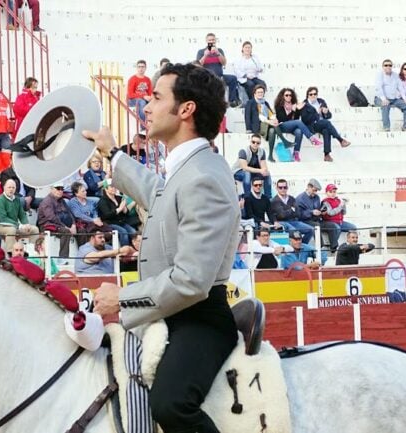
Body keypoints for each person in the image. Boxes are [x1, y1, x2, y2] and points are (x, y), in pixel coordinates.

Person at [85, 62, 240, 433]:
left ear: (186, 110)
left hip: (198, 320)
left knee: (171, 404)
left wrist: (122, 298)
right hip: (179, 313)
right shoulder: (194, 168)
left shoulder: (201, 177)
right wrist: (113, 154)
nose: (147, 107)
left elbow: (191, 281)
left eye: (156, 98)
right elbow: (157, 193)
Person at [302, 87, 351, 162]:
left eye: (315, 94)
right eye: (311, 94)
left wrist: (326, 113)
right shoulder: (304, 104)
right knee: (327, 123)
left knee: (326, 130)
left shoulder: (321, 101)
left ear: (317, 94)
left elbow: (329, 116)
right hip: (312, 125)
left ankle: (326, 155)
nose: (313, 96)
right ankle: (340, 140)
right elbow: (305, 120)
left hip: (323, 125)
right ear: (307, 95)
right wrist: (316, 113)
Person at [273, 88, 322, 162]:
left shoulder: (294, 105)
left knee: (299, 131)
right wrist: (292, 110)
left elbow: (295, 118)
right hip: (282, 126)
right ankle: (312, 139)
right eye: (286, 95)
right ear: (283, 96)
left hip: (292, 126)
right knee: (298, 122)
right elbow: (282, 119)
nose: (289, 97)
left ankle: (296, 153)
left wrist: (297, 110)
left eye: (290, 95)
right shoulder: (279, 106)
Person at [0, 178, 39, 251]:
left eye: (13, 187)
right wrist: (20, 226)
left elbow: (22, 214)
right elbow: (3, 219)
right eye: (9, 187)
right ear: (4, 187)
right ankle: (11, 253)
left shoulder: (17, 200)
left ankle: (32, 252)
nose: (11, 189)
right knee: (11, 230)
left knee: (34, 229)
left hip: (14, 226)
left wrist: (26, 224)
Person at [36, 183, 80, 258]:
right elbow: (52, 218)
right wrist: (65, 227)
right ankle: (63, 258)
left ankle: (83, 255)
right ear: (51, 189)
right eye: (58, 188)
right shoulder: (47, 201)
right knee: (66, 232)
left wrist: (73, 225)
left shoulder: (61, 200)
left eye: (62, 189)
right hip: (47, 225)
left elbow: (70, 213)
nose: (60, 191)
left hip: (61, 224)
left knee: (82, 230)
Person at [196, 33, 240, 107]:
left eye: (213, 40)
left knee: (233, 78)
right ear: (206, 41)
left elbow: (224, 63)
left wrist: (218, 53)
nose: (211, 41)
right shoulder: (201, 51)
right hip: (207, 78)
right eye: (209, 40)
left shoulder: (219, 50)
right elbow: (198, 65)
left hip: (220, 76)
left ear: (215, 41)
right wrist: (205, 55)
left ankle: (232, 101)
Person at [374, 59, 406, 132]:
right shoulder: (380, 75)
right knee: (385, 105)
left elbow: (400, 88)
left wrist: (405, 99)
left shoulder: (395, 75)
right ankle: (386, 127)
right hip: (380, 98)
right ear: (383, 66)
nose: (388, 67)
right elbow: (378, 88)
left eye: (390, 65)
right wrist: (384, 99)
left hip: (393, 99)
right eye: (386, 65)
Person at [243, 85, 281, 162]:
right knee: (274, 127)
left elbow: (271, 115)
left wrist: (274, 120)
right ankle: (284, 141)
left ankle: (270, 155)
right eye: (258, 92)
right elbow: (247, 116)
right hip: (257, 127)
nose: (260, 94)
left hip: (267, 125)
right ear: (254, 93)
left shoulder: (265, 103)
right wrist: (248, 129)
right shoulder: (250, 102)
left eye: (262, 92)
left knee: (272, 131)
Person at [271, 178, 314, 244]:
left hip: (294, 221)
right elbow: (282, 215)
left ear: (287, 188)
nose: (283, 189)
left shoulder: (292, 198)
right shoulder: (275, 201)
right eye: (280, 187)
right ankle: (296, 246)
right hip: (282, 223)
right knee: (294, 231)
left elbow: (298, 213)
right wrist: (291, 210)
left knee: (311, 230)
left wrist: (288, 211)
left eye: (285, 187)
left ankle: (302, 245)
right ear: (277, 188)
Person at [320, 184, 356, 253]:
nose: (332, 193)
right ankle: (333, 247)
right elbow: (331, 213)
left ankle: (349, 246)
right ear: (326, 192)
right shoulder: (325, 202)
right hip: (330, 222)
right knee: (337, 228)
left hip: (340, 222)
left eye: (334, 192)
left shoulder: (338, 200)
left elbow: (344, 212)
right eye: (330, 192)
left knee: (353, 227)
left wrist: (344, 204)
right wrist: (340, 206)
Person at [233, 133, 272, 198]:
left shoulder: (262, 151)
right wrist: (260, 170)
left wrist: (265, 171)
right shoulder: (243, 151)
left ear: (260, 144)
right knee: (247, 173)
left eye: (258, 143)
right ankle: (248, 198)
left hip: (252, 173)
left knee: (267, 174)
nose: (255, 144)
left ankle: (268, 198)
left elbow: (264, 167)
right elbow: (244, 168)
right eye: (253, 142)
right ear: (250, 141)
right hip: (238, 172)